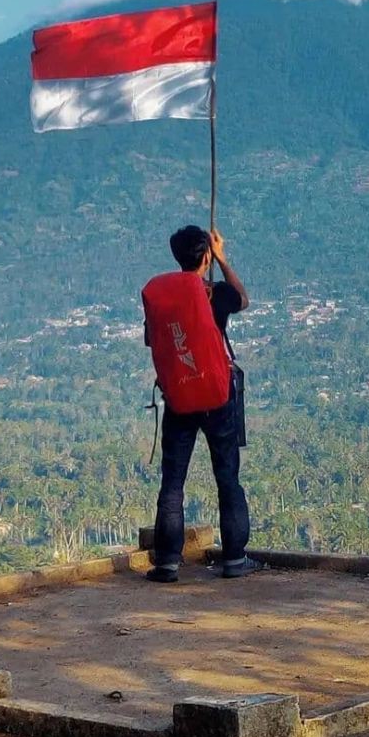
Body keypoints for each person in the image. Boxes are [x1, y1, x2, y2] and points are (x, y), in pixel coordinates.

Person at [144, 225, 263, 582]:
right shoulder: (216, 294)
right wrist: (224, 260)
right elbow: (243, 299)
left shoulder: (166, 300)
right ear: (207, 255)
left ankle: (166, 563)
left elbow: (154, 341)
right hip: (217, 395)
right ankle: (234, 559)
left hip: (179, 396)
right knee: (227, 477)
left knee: (173, 482)